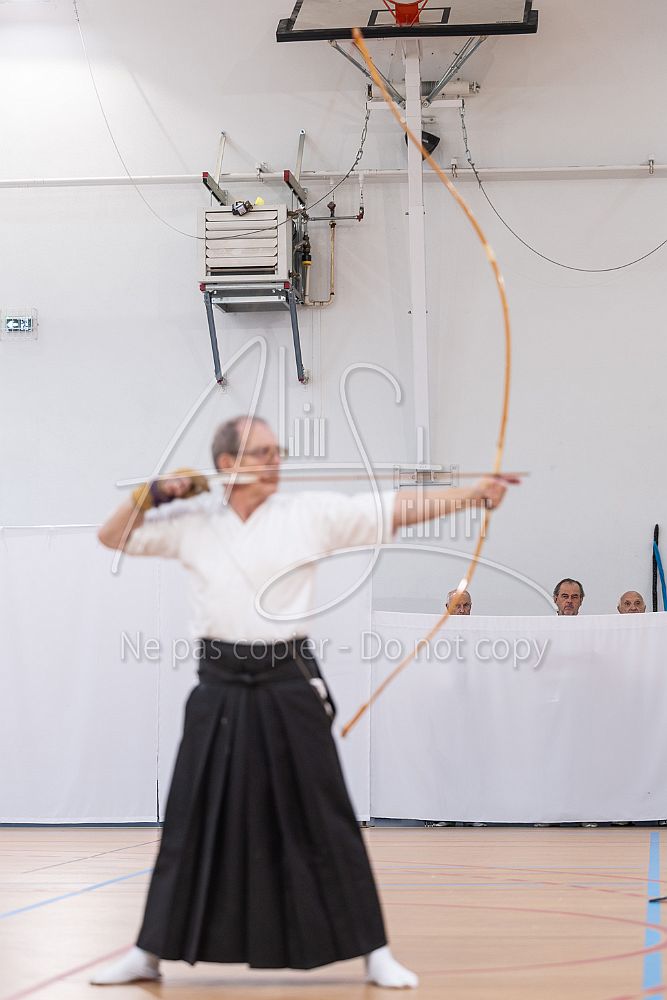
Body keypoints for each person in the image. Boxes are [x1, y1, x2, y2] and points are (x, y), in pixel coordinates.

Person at [91, 415, 511, 989]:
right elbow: (112, 537)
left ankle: (375, 952)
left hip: (287, 683)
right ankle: (149, 952)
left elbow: (393, 509)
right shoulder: (194, 524)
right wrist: (153, 494)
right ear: (227, 464)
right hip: (218, 687)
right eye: (261, 453)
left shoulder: (307, 515)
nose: (275, 462)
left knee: (327, 815)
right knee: (190, 816)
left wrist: (472, 495)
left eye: (277, 451)